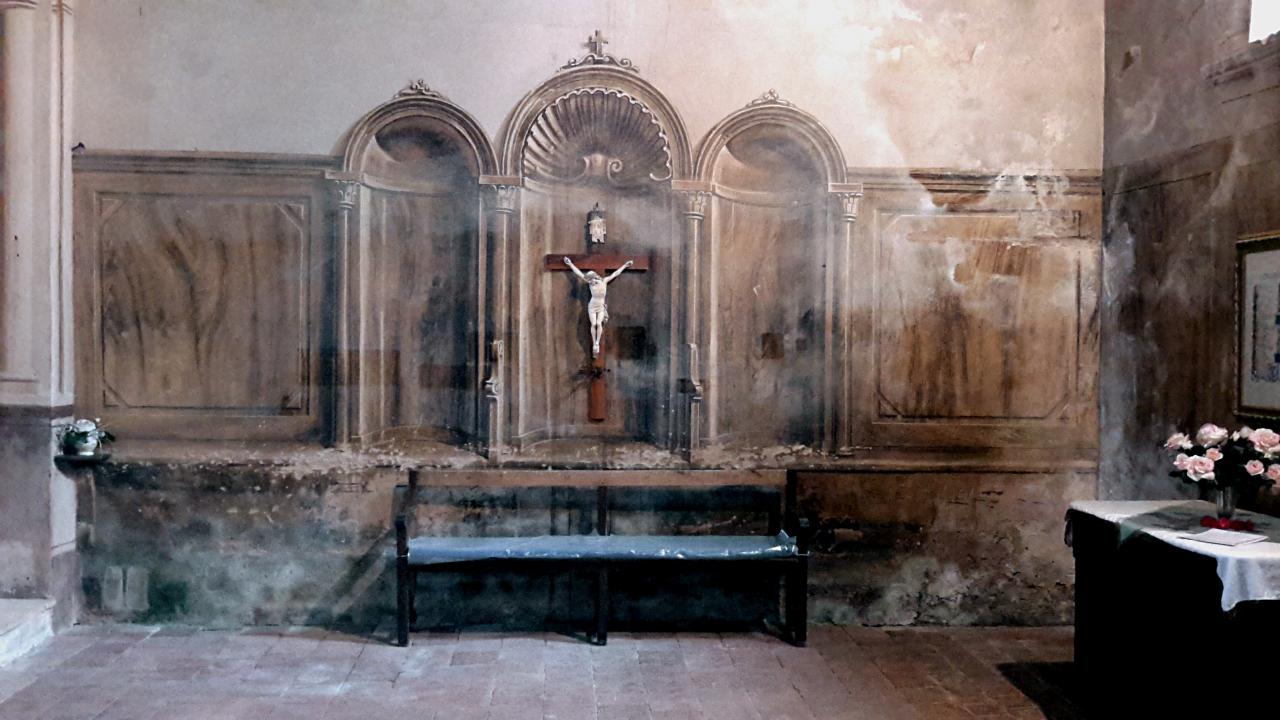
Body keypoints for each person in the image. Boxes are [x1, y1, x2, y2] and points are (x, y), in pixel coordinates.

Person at [564, 256, 633, 357]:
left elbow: (615, 274)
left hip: (600, 305)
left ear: (595, 277)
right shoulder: (590, 283)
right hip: (592, 306)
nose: (591, 281)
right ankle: (594, 345)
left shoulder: (604, 281)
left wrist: (625, 266)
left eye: (592, 279)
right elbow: (578, 273)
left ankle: (597, 343)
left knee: (598, 323)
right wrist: (570, 264)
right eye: (590, 280)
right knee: (593, 324)